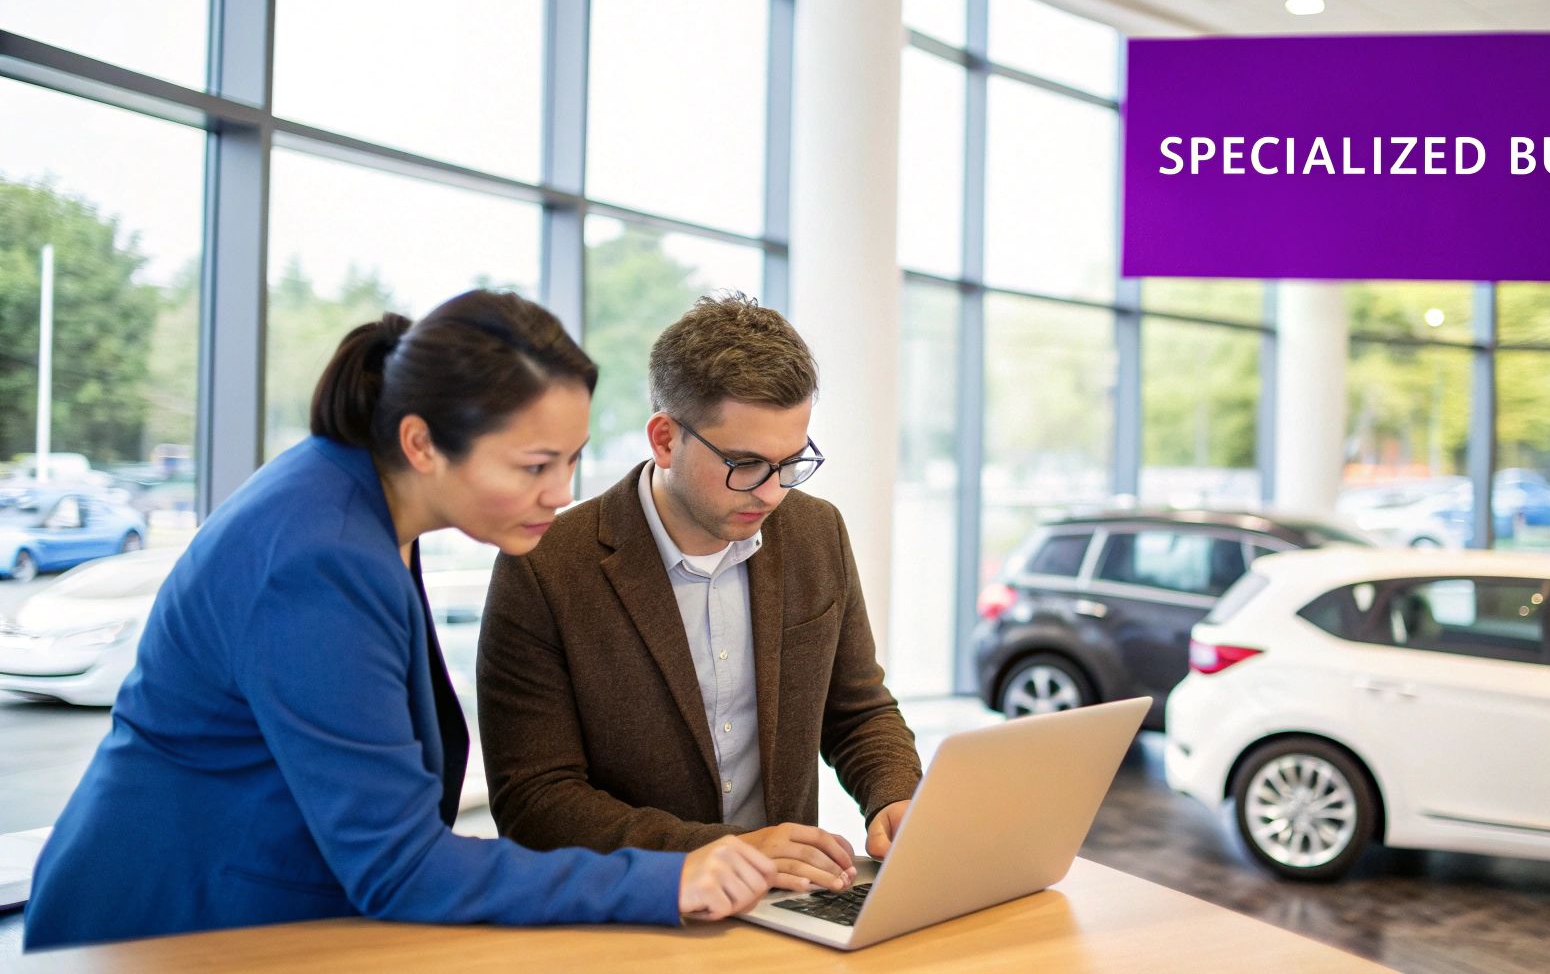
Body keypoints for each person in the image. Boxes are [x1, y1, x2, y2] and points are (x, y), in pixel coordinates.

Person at [24, 291, 776, 951]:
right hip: (168, 926)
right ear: (422, 443)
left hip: (253, 909)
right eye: (533, 466)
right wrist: (669, 880)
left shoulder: (363, 500)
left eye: (572, 462)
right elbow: (399, 866)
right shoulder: (320, 555)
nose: (560, 493)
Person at [478, 293, 922, 895]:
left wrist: (894, 794)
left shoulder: (817, 533)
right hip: (640, 913)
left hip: (788, 908)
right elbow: (535, 801)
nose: (771, 493)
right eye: (745, 463)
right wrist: (724, 850)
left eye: (791, 463)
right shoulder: (547, 567)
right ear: (664, 440)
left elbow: (857, 709)